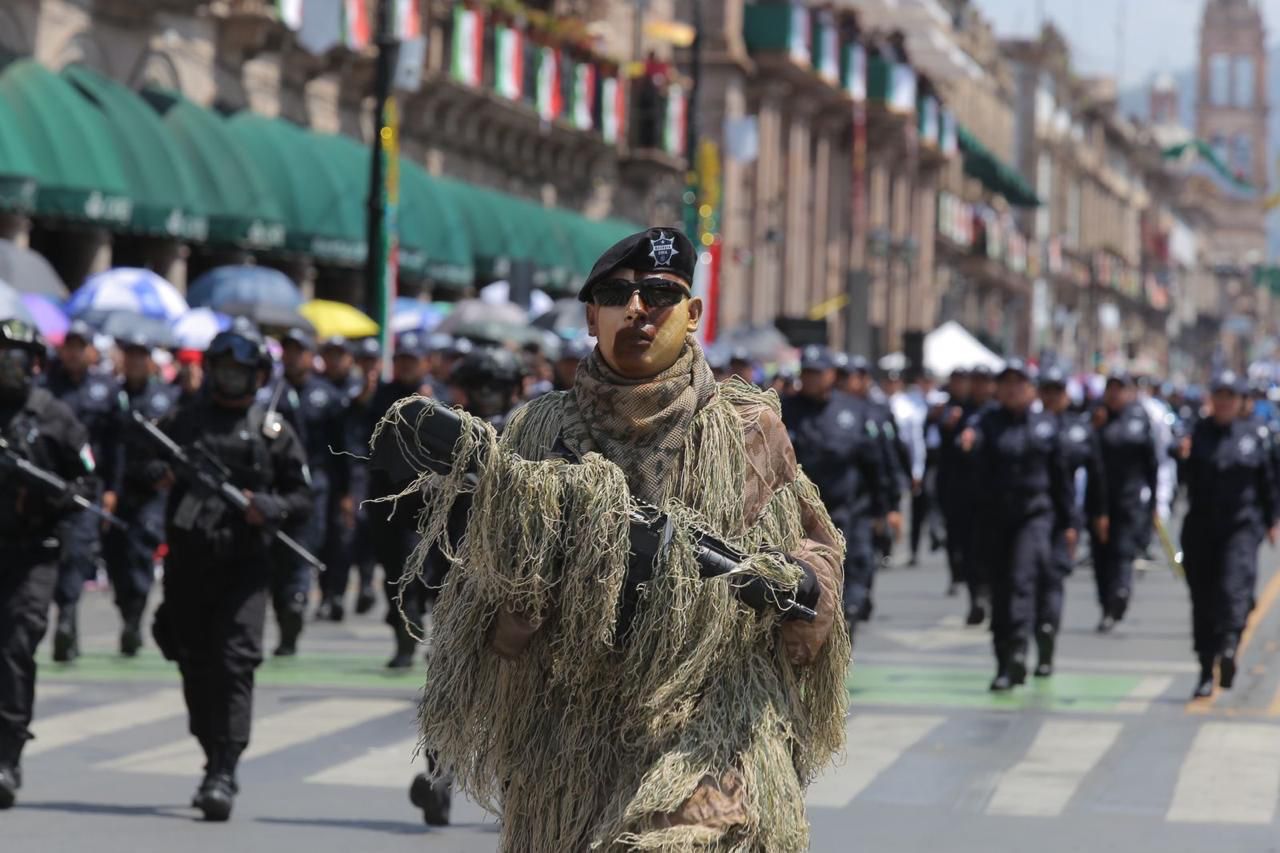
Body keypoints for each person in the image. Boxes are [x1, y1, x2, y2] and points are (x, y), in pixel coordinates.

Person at [379, 228, 848, 851]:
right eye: (616, 293)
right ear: (591, 317)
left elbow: (814, 559)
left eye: (660, 293)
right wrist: (530, 591)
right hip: (569, 736)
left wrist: (798, 584)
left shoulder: (746, 430)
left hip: (710, 721)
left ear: (693, 315)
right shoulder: (539, 433)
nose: (637, 308)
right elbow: (483, 599)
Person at [149, 322, 311, 821]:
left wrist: (270, 505)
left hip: (245, 568)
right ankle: (210, 748)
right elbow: (139, 472)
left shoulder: (273, 431)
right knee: (195, 665)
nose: (232, 379)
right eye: (224, 369)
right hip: (188, 566)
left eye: (242, 372)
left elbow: (303, 497)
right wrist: (163, 474)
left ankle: (224, 767)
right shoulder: (183, 420)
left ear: (258, 375)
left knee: (235, 664)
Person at [0, 318, 96, 809]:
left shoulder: (55, 416)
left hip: (34, 552)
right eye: (2, 353)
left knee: (17, 646)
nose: (8, 364)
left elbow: (88, 483)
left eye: (18, 355)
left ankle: (8, 756)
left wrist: (58, 497)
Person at [963, 361, 1075, 691]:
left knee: (1022, 580)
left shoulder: (1046, 425)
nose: (1012, 389)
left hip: (1035, 517)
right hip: (995, 519)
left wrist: (1069, 523)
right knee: (999, 589)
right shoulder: (986, 423)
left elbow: (1061, 479)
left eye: (1019, 383)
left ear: (1031, 388)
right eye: (1005, 383)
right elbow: (970, 451)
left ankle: (1019, 648)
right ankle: (1004, 660)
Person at [1177, 371, 1278, 699]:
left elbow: (1269, 483)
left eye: (1230, 396)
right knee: (1204, 601)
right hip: (1202, 529)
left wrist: (1273, 520)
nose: (1223, 402)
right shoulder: (1197, 434)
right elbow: (1180, 479)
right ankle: (1206, 668)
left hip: (1241, 528)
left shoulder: (1256, 435)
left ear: (1240, 402)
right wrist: (1181, 455)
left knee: (1235, 590)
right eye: (1218, 395)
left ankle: (1230, 647)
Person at [782, 345, 888, 644]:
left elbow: (874, 464)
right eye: (808, 373)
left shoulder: (853, 410)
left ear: (832, 375)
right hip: (797, 515)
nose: (812, 379)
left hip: (847, 510)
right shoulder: (783, 409)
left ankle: (845, 623)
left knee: (851, 571)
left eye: (819, 373)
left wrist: (884, 509)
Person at [40, 320, 120, 662]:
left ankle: (68, 618)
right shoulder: (45, 387)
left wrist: (112, 489)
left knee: (77, 551)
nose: (73, 353)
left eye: (79, 346)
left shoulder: (106, 389)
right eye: (68, 346)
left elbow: (117, 444)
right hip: (46, 484)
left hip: (87, 484)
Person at [262, 326, 347, 641]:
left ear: (312, 356)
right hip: (276, 484)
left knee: (305, 544)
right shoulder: (270, 394)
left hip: (316, 482)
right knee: (276, 551)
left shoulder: (326, 395)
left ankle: (297, 599)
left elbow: (343, 448)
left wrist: (347, 491)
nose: (293, 357)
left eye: (300, 350)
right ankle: (284, 605)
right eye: (289, 350)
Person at [103, 330, 178, 656]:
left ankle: (134, 619)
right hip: (116, 491)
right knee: (116, 558)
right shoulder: (111, 396)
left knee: (140, 554)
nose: (134, 362)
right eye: (129, 355)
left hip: (151, 492)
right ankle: (127, 613)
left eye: (140, 356)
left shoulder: (165, 398)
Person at [365, 331, 435, 668]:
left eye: (412, 360)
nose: (406, 366)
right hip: (389, 501)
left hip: (430, 504)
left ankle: (436, 637)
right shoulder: (382, 396)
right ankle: (405, 638)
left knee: (432, 574)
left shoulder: (438, 397)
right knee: (398, 573)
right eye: (402, 360)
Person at [1037, 366, 1106, 676]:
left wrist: (1095, 515)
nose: (1052, 397)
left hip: (1064, 516)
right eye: (1046, 391)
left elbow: (1096, 476)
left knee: (1052, 577)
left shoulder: (1079, 429)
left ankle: (1047, 630)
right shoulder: (1031, 424)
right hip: (1029, 515)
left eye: (1057, 391)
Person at [1092, 372, 1159, 632]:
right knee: (1101, 556)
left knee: (1122, 551)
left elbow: (1151, 463)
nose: (1114, 395)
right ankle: (1105, 604)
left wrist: (1153, 498)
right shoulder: (1096, 417)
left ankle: (1120, 594)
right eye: (1111, 389)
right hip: (1098, 501)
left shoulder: (1139, 420)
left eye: (1120, 389)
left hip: (1128, 499)